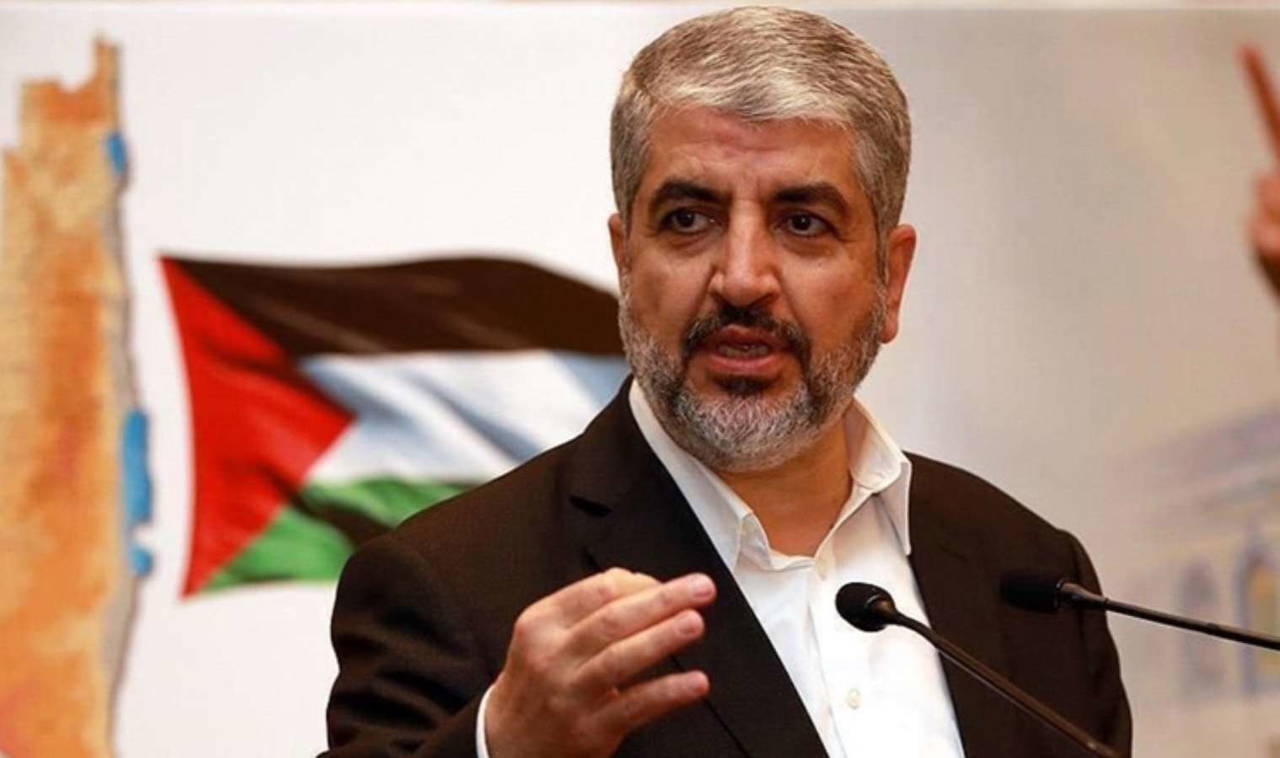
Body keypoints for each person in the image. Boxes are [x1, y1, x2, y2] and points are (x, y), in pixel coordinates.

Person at [323, 8, 1131, 757]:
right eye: (689, 219)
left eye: (803, 223)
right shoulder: (453, 583)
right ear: (625, 261)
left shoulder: (1027, 570)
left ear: (891, 280)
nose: (742, 278)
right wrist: (502, 748)